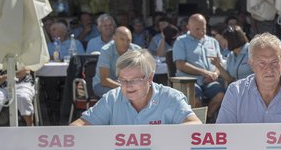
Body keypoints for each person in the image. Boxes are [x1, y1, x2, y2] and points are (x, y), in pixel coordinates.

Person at [71, 50, 200, 126]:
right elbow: (80, 126)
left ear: (150, 77)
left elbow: (195, 127)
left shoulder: (171, 98)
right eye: (123, 80)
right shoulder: (112, 98)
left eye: (135, 80)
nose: (128, 86)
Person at [216, 33, 281, 123]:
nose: (269, 69)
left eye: (274, 62)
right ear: (251, 64)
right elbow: (223, 135)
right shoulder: (235, 92)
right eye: (262, 63)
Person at [172, 13, 225, 121]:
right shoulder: (181, 41)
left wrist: (215, 73)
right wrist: (203, 72)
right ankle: (198, 122)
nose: (201, 31)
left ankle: (206, 119)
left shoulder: (213, 41)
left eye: (204, 28)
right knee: (195, 99)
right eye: (197, 29)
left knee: (221, 94)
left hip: (210, 80)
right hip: (189, 80)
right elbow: (180, 64)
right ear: (188, 27)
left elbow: (219, 63)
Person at [93, 26, 141, 97]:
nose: (125, 43)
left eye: (128, 40)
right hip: (103, 85)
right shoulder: (106, 50)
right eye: (122, 39)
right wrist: (125, 87)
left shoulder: (136, 50)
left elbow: (142, 74)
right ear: (114, 38)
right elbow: (104, 80)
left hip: (126, 84)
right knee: (122, 95)